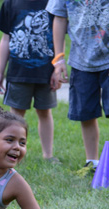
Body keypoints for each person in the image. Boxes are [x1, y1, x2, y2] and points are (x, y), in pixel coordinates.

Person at [0, 0, 61, 163]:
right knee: (15, 115)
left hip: (46, 72)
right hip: (18, 73)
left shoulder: (54, 4)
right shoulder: (10, 3)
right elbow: (5, 39)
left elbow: (59, 38)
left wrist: (57, 67)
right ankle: (11, 154)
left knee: (45, 112)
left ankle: (48, 155)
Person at [46, 0, 109, 175]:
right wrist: (58, 58)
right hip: (81, 61)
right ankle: (92, 162)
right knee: (85, 113)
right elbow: (59, 19)